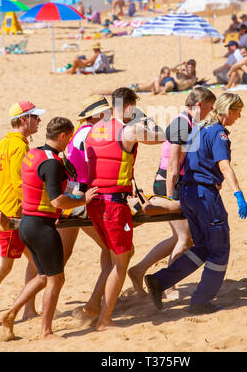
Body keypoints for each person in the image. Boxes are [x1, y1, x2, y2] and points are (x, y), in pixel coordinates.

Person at [145, 93, 247, 315]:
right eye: (238, 112)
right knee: (219, 248)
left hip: (189, 193)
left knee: (201, 247)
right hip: (204, 196)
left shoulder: (198, 129)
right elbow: (224, 167)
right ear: (228, 111)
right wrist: (238, 193)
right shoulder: (218, 133)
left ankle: (160, 280)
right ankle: (201, 301)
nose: (239, 117)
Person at [1, 117, 99, 341]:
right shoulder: (52, 163)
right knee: (56, 280)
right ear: (63, 135)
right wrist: (84, 199)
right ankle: (45, 331)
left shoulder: (33, 154)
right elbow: (57, 201)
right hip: (42, 227)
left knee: (44, 276)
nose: (69, 143)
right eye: (69, 137)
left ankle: (11, 313)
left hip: (26, 223)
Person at [79, 87, 165, 331]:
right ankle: (104, 320)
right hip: (113, 203)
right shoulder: (129, 129)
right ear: (129, 106)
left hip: (94, 201)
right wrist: (143, 117)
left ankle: (94, 307)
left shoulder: (94, 130)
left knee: (119, 254)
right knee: (120, 260)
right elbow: (161, 135)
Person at [128, 88, 216, 297]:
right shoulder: (181, 124)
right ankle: (168, 285)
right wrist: (169, 197)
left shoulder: (188, 122)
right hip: (169, 184)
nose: (211, 110)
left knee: (182, 237)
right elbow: (173, 167)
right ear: (199, 105)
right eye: (209, 106)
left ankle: (139, 270)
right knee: (185, 239)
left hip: (176, 183)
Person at [0, 101, 45, 320]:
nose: (39, 121)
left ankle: (29, 309)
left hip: (6, 209)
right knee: (4, 266)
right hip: (13, 214)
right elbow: (19, 183)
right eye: (35, 117)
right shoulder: (19, 146)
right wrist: (35, 206)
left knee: (35, 261)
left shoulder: (3, 143)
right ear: (24, 119)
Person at [58, 96, 112, 267]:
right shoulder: (91, 133)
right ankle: (104, 295)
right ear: (97, 115)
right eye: (106, 111)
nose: (109, 114)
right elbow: (95, 166)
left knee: (62, 255)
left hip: (70, 192)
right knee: (110, 248)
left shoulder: (79, 131)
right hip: (81, 194)